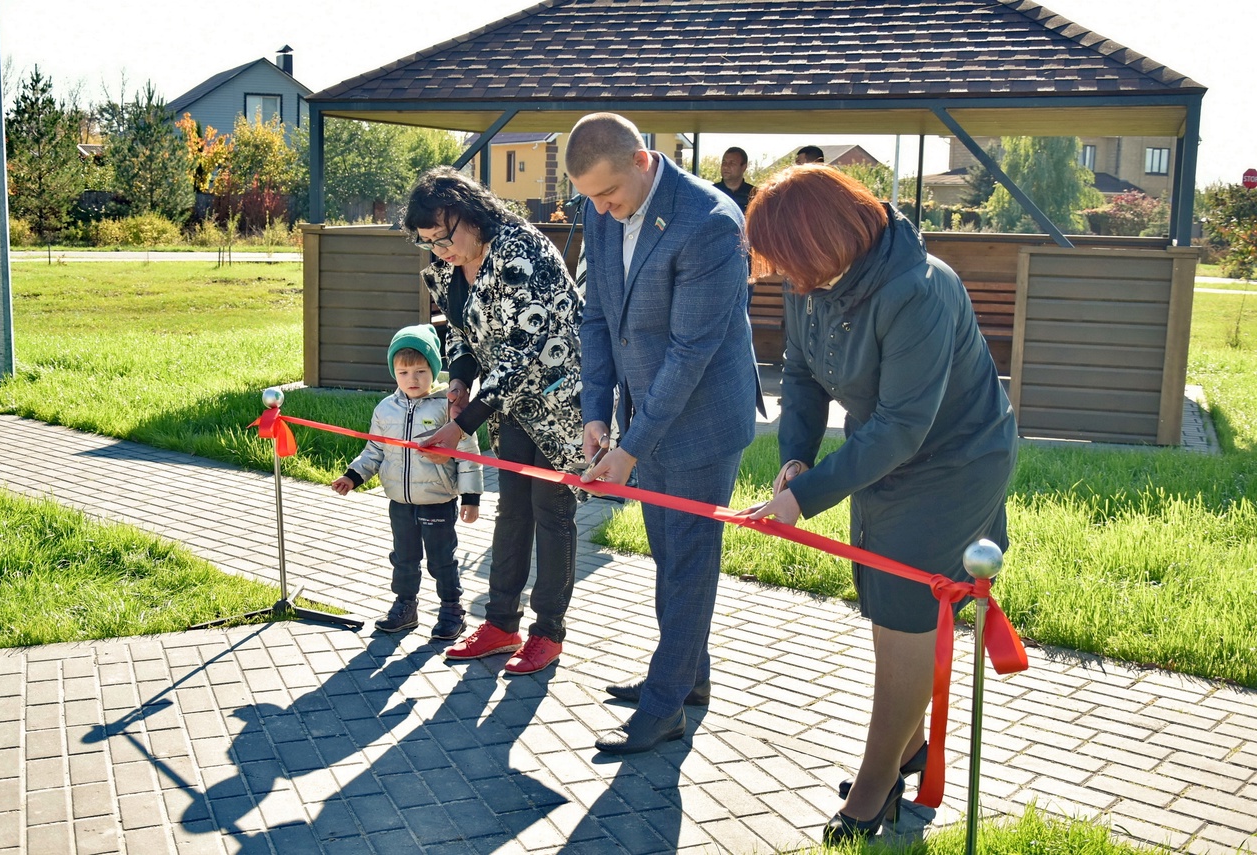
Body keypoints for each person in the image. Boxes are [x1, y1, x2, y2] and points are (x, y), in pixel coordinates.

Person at [743, 165, 1018, 844]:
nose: (786, 276)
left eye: (788, 259)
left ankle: (871, 794)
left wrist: (803, 500)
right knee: (889, 605)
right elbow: (801, 372)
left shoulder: (917, 290)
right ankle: (909, 750)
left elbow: (902, 425)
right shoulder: (814, 279)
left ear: (825, 238)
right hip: (887, 454)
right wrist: (797, 456)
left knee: (904, 614)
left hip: (953, 464)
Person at [565, 112, 761, 754]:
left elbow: (689, 353)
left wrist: (629, 449)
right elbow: (596, 316)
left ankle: (665, 704)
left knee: (687, 560)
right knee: (668, 552)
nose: (600, 209)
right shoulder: (600, 212)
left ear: (644, 161)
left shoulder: (709, 223)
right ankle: (687, 679)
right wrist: (596, 413)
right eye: (589, 197)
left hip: (702, 419)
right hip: (640, 412)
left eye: (608, 194)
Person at [404, 166, 587, 676]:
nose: (440, 252)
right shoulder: (448, 265)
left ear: (469, 212)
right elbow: (460, 329)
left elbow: (525, 351)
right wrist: (460, 379)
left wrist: (465, 423)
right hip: (508, 402)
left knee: (552, 513)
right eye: (429, 245)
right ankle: (501, 623)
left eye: (443, 239)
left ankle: (548, 632)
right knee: (513, 509)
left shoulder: (519, 251)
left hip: (557, 400)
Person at [331, 324, 483, 638]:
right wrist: (353, 475)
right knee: (403, 559)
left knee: (442, 560)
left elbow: (468, 452)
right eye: (403, 372)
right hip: (399, 503)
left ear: (434, 371)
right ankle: (405, 606)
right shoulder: (385, 410)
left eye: (420, 371)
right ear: (393, 373)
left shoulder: (447, 408)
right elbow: (374, 450)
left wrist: (471, 498)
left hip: (438, 500)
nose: (411, 380)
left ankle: (452, 610)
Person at [712, 146, 756, 216]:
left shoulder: (755, 195)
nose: (726, 166)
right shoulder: (711, 192)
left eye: (732, 163)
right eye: (724, 162)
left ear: (744, 167)